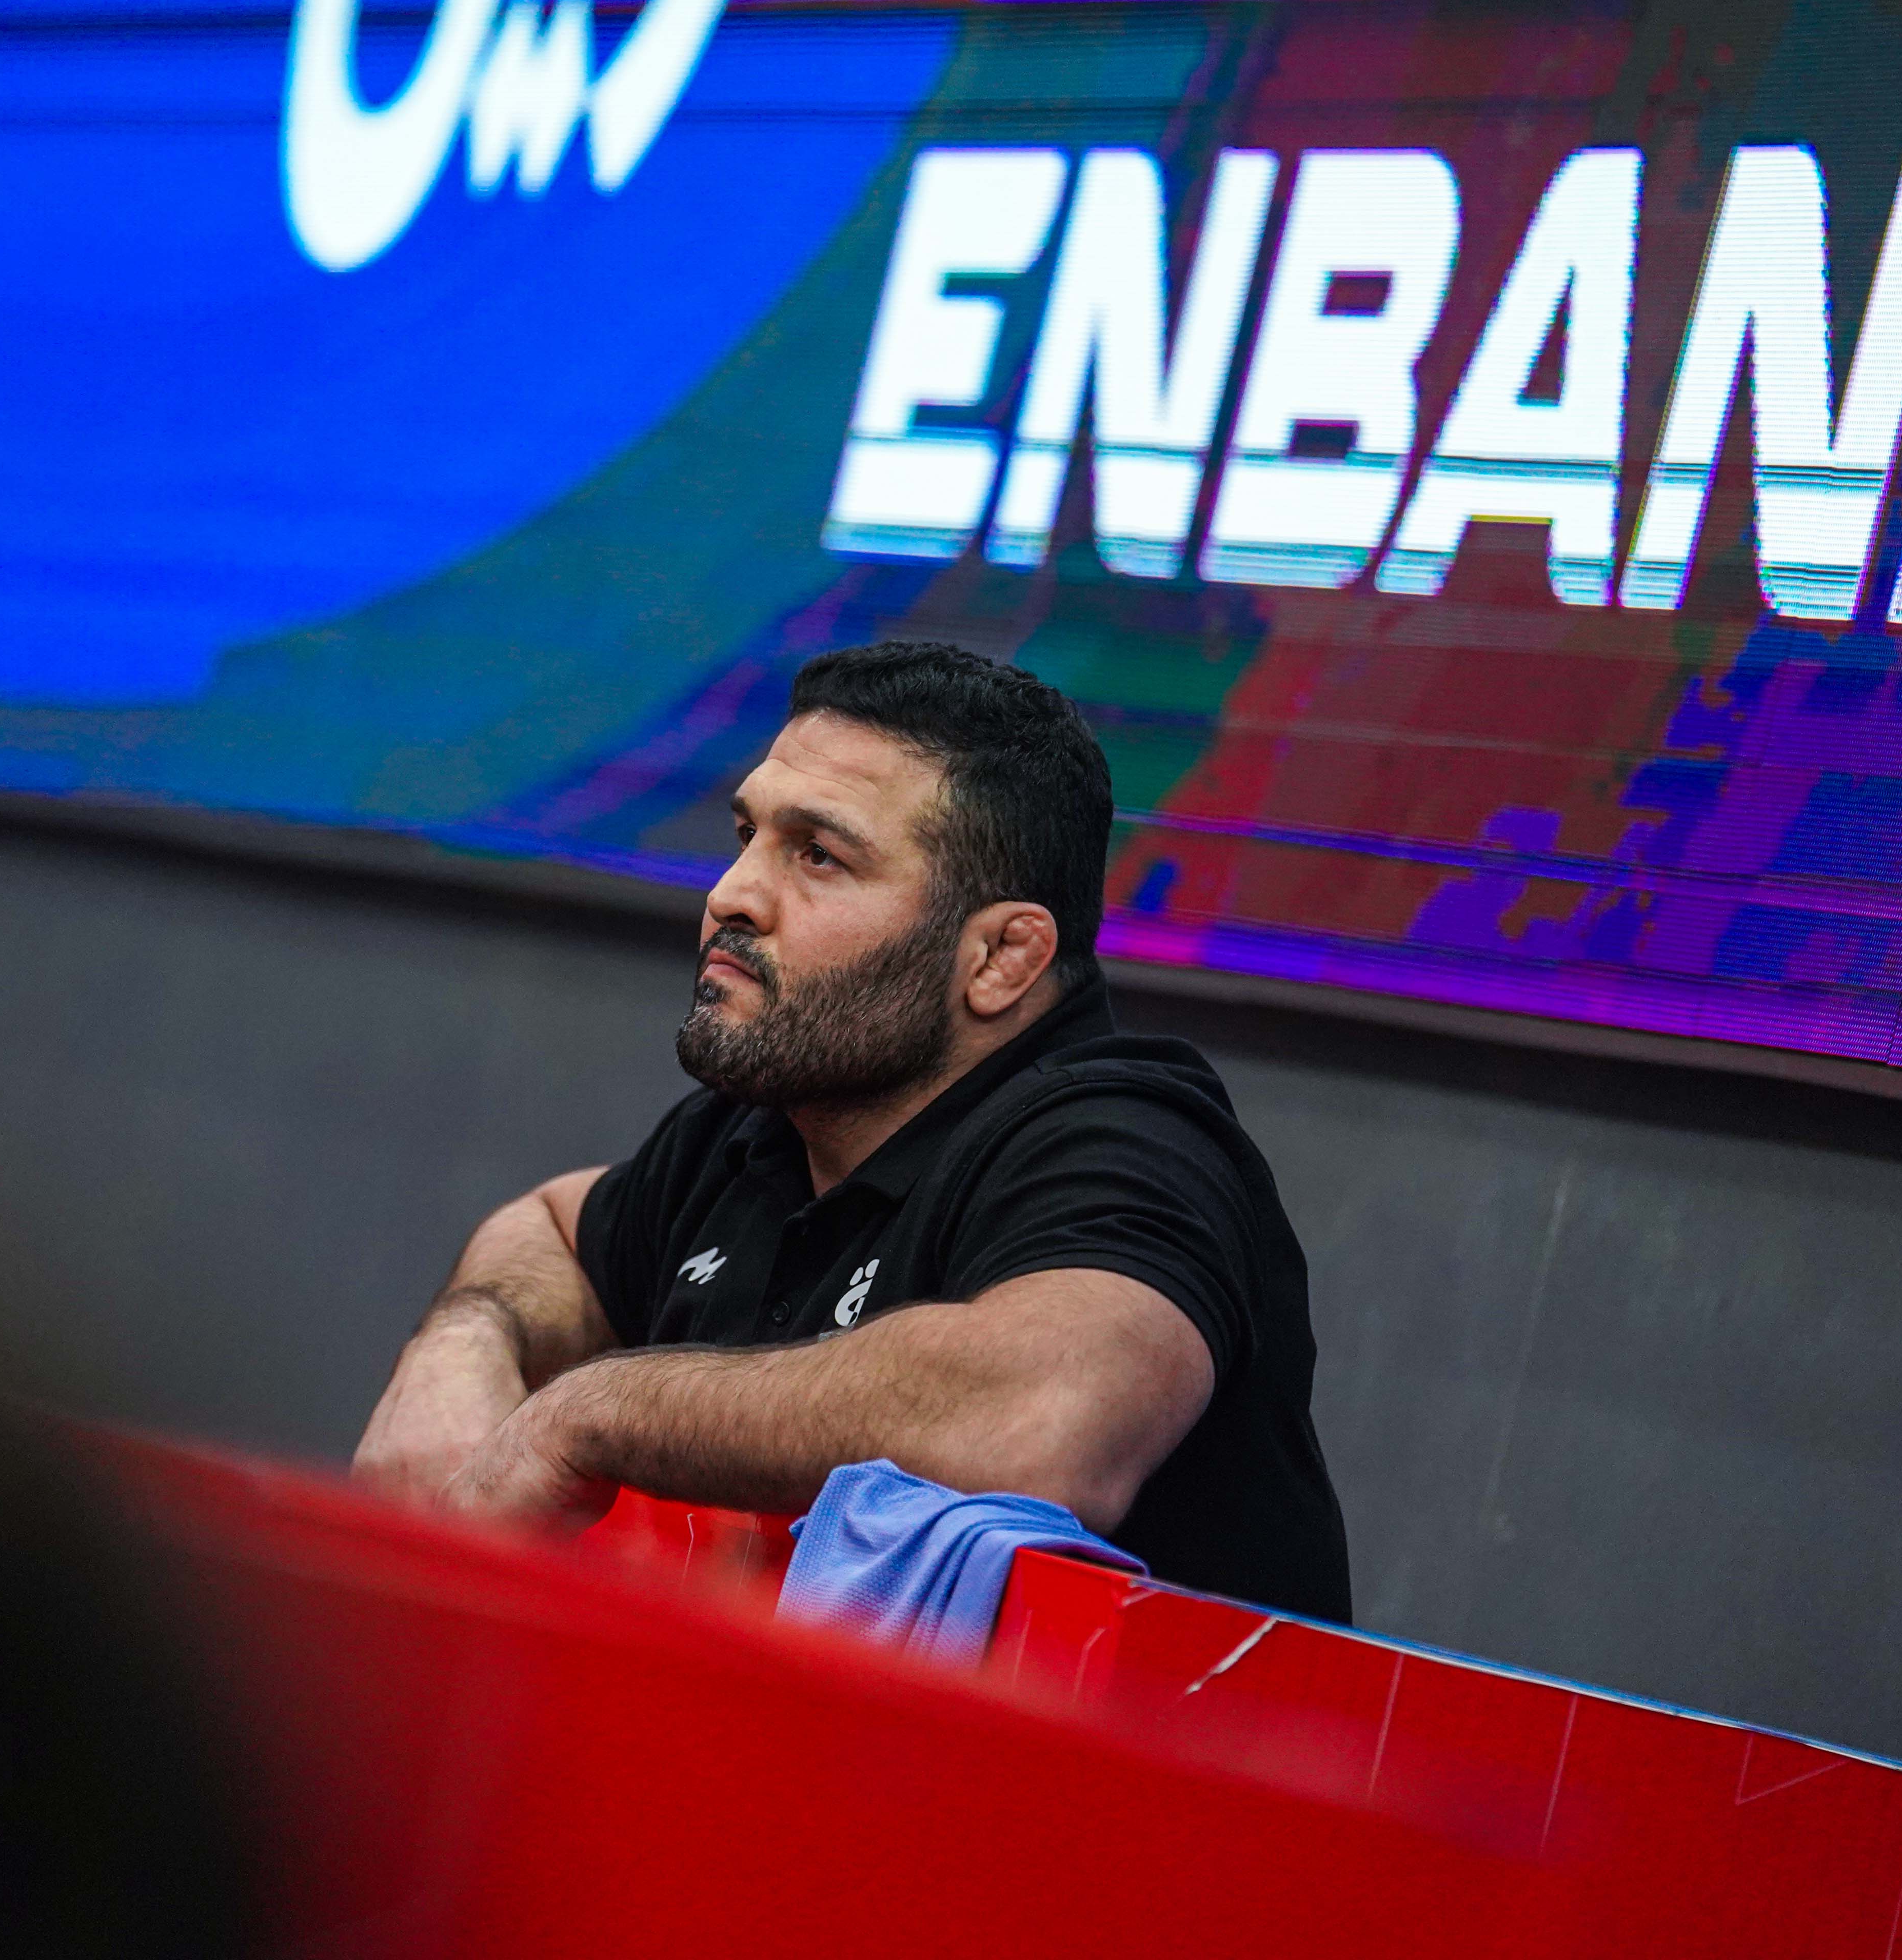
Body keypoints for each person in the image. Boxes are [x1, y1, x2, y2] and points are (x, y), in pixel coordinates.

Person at [354, 641, 1350, 1621]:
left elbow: (1045, 1419)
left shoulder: (1127, 1138)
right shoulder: (762, 1127)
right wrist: (465, 1337)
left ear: (1001, 957)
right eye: (746, 832)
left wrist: (588, 1413)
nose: (731, 894)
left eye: (819, 855)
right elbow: (551, 1228)